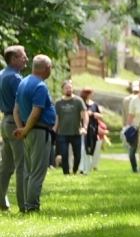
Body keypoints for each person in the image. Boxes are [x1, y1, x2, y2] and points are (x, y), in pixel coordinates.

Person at [12, 55, 56, 213]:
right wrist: (26, 129)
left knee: (28, 171)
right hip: (38, 131)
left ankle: (24, 205)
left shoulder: (23, 82)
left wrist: (22, 129)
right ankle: (32, 206)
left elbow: (16, 110)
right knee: (37, 172)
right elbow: (36, 112)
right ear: (47, 68)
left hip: (28, 131)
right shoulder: (40, 86)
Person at [0, 45, 28, 211]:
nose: (26, 59)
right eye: (23, 56)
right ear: (14, 59)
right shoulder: (16, 78)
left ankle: (2, 204)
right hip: (15, 122)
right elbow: (22, 103)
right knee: (21, 165)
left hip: (4, 122)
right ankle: (24, 206)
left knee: (6, 166)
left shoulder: (2, 75)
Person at [54, 80, 88, 176]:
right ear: (63, 90)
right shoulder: (58, 103)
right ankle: (66, 173)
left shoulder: (78, 101)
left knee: (77, 155)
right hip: (62, 133)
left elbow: (84, 115)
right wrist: (54, 130)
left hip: (76, 132)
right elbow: (57, 118)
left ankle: (74, 170)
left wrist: (84, 127)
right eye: (67, 88)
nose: (69, 89)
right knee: (64, 154)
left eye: (70, 88)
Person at [79, 87, 103, 174]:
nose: (93, 95)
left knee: (91, 148)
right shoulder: (81, 103)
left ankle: (88, 168)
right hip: (83, 128)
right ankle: (81, 168)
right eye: (91, 93)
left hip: (93, 129)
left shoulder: (94, 105)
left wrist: (95, 114)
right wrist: (86, 114)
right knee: (82, 148)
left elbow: (101, 116)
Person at [122, 82, 139, 173]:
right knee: (132, 149)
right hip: (132, 128)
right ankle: (135, 168)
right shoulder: (127, 100)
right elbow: (125, 113)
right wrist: (125, 125)